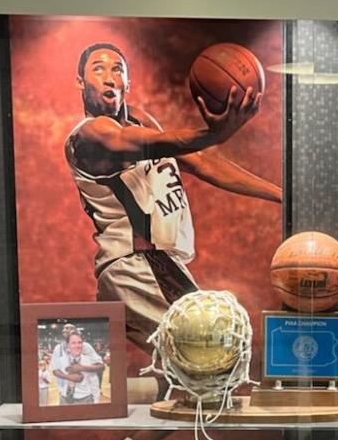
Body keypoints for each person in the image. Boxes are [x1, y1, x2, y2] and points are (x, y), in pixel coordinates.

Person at [66, 42, 280, 354]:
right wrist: (213, 134)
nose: (110, 77)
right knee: (211, 350)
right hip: (134, 267)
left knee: (183, 367)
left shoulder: (139, 119)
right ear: (81, 82)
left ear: (128, 82)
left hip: (160, 263)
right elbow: (139, 143)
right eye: (98, 69)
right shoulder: (89, 135)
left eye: (117, 69)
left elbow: (203, 162)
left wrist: (280, 195)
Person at [50, 331, 105, 405]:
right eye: (73, 343)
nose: (77, 345)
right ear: (68, 345)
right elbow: (54, 370)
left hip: (84, 399)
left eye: (80, 342)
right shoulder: (61, 359)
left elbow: (94, 381)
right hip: (64, 398)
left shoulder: (89, 361)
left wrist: (96, 401)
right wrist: (69, 377)